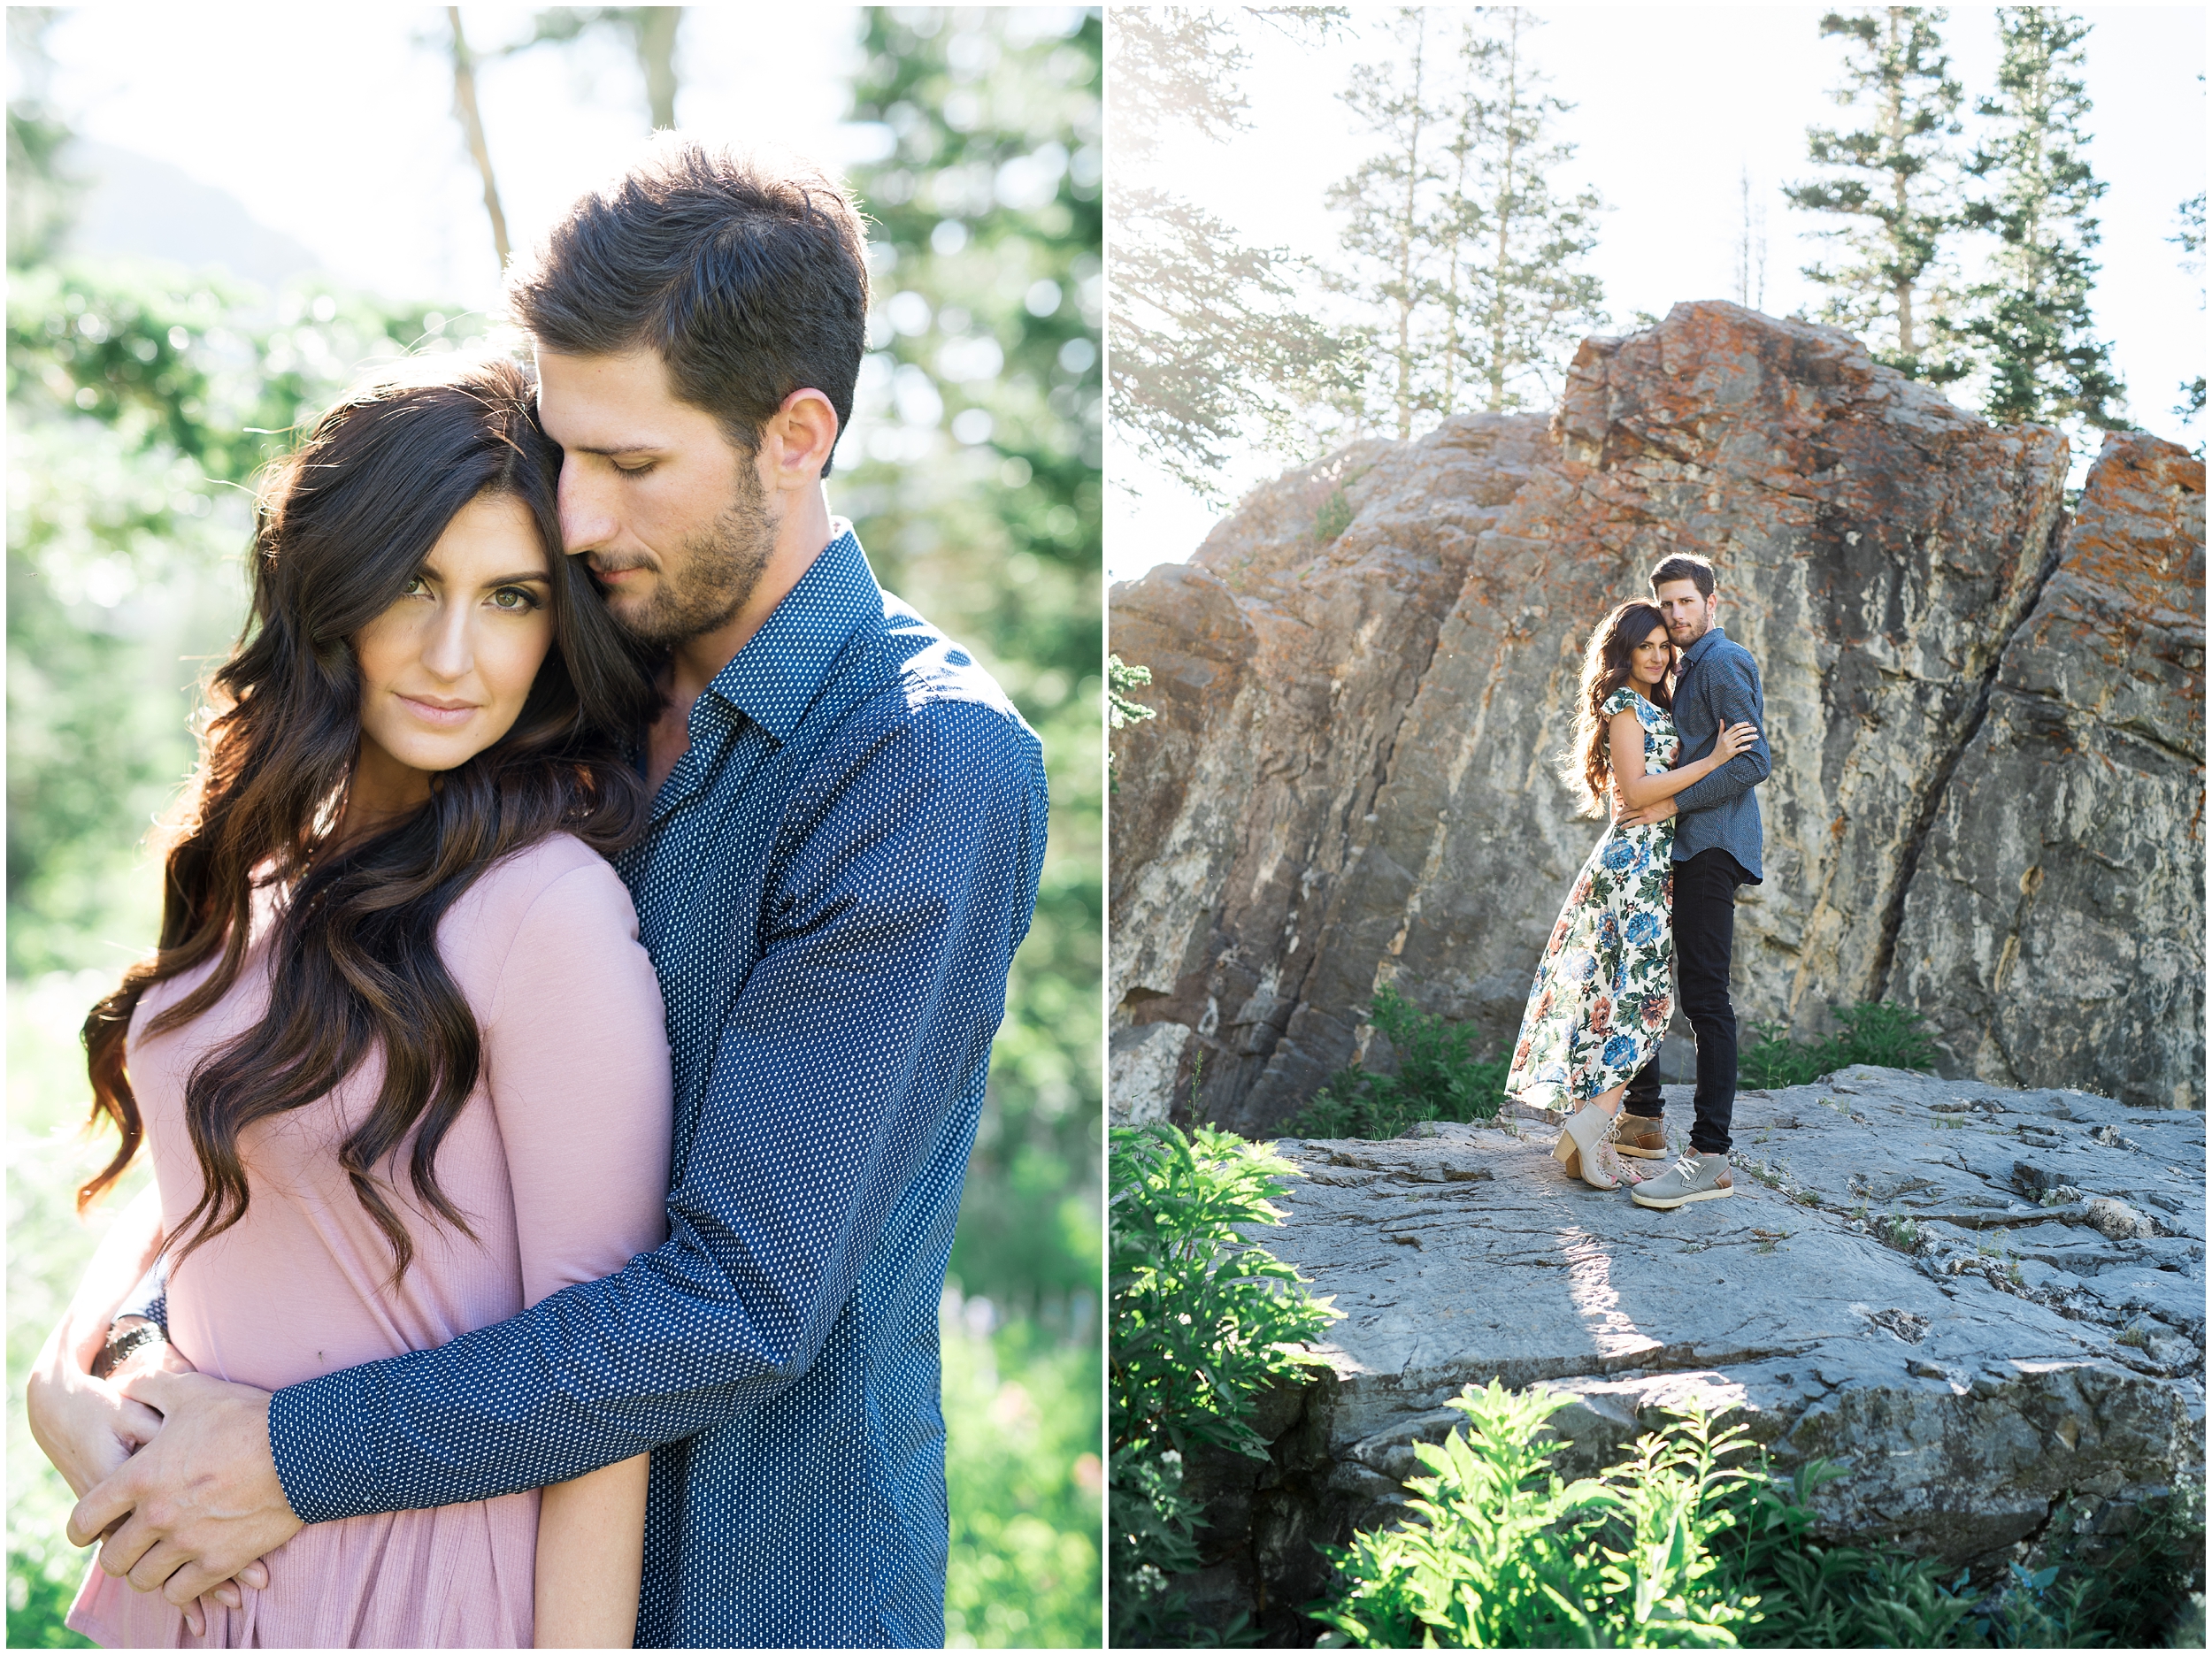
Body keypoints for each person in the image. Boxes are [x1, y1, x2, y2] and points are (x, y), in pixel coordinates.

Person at [37, 139, 1048, 1650]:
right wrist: (113, 1348)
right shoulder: (554, 688)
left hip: (747, 1593)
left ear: (798, 435)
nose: (574, 518)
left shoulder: (920, 765)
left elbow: (736, 1301)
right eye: (567, 452)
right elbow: (307, 1096)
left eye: (633, 466)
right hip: (412, 1580)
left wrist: (286, 1457)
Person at [35, 356, 673, 1647]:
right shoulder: (260, 860)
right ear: (336, 593)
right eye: (414, 584)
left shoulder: (542, 910)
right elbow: (197, 1171)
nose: (453, 655)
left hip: (410, 1596)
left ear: (563, 628)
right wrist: (72, 1363)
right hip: (183, 1574)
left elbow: (603, 1391)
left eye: (510, 597)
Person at [1505, 599, 1758, 1190]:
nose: (1656, 654)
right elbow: (1638, 789)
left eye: (1662, 645)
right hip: (1634, 863)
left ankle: (1598, 1127)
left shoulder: (1655, 705)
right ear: (1623, 652)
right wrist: (1717, 759)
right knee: (1645, 1000)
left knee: (1628, 996)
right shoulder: (1624, 706)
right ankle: (1591, 1123)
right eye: (1644, 645)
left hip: (1654, 864)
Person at [1614, 553, 1770, 1210]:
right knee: (1649, 978)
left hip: (1710, 847)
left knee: (1706, 999)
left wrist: (1671, 806)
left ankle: (1710, 1155)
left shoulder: (1724, 660)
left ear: (1713, 601)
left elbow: (1754, 759)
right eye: (1667, 603)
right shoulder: (1686, 668)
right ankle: (1645, 1120)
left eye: (1686, 602)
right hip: (1683, 848)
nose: (1676, 614)